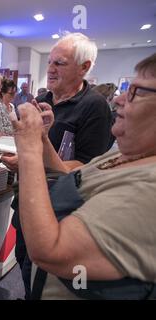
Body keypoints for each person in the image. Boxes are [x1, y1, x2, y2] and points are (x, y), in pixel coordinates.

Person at [11, 52, 156, 299]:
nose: (119, 99)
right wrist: (43, 139)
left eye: (137, 92)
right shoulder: (123, 156)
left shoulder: (148, 190)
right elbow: (69, 177)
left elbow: (50, 250)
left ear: (84, 68)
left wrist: (29, 149)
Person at [2, 32, 113, 299]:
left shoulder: (95, 107)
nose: (50, 69)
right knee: (24, 262)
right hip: (26, 204)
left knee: (44, 279)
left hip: (59, 216)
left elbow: (86, 169)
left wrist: (29, 163)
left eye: (59, 63)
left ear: (84, 67)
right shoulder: (43, 99)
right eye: (50, 62)